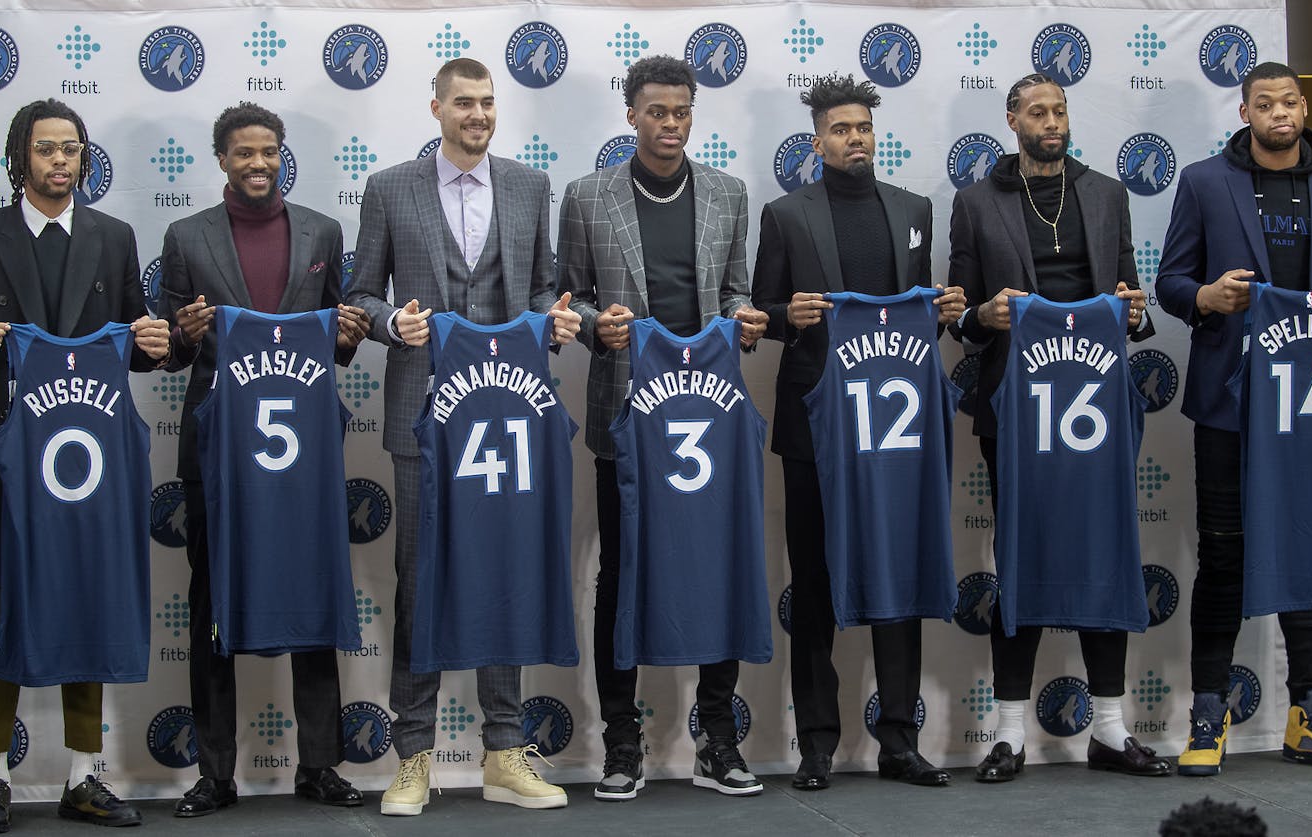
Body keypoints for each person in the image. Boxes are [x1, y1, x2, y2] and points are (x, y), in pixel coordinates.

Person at [347, 57, 580, 814]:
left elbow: (541, 287)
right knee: (422, 582)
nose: (478, 114)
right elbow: (360, 294)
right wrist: (392, 323)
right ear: (436, 108)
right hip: (424, 415)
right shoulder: (388, 188)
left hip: (510, 417)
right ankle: (412, 755)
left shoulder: (527, 186)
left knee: (505, 578)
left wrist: (556, 318)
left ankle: (504, 752)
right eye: (464, 103)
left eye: (487, 103)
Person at [1157, 60, 1312, 775]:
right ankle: (1207, 710)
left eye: (1289, 102)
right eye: (1265, 103)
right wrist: (1206, 296)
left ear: (1304, 106)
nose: (1279, 113)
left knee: (1309, 547)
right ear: (1245, 111)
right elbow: (1170, 281)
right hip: (1230, 397)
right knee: (1225, 553)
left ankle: (1310, 713)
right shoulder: (1201, 180)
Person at [558, 54, 769, 800]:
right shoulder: (586, 197)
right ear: (631, 114)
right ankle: (622, 739)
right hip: (628, 417)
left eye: (681, 111)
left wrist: (744, 323)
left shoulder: (729, 193)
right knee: (621, 573)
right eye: (656, 111)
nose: (670, 124)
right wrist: (595, 325)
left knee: (718, 568)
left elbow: (738, 292)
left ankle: (718, 737)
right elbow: (567, 300)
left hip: (710, 415)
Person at [751, 73, 964, 791]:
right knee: (815, 585)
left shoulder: (914, 209)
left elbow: (922, 309)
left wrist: (944, 310)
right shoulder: (784, 215)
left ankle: (900, 740)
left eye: (863, 129)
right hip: (815, 427)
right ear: (817, 143)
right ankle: (816, 744)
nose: (855, 140)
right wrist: (790, 315)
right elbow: (759, 311)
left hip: (895, 429)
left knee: (897, 575)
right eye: (841, 130)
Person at [0, 98, 172, 832]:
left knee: (87, 594)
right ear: (20, 157)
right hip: (5, 459)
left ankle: (85, 773)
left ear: (85, 158)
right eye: (46, 149)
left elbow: (142, 341)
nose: (60, 161)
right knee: (1, 611)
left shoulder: (115, 237)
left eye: (72, 149)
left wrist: (156, 343)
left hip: (89, 463)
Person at [159, 102, 371, 818]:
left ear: (283, 155)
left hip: (301, 452)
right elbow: (170, 345)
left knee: (312, 599)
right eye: (244, 153)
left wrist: (352, 330)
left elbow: (340, 340)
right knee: (212, 606)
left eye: (269, 152)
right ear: (221, 158)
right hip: (220, 452)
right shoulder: (185, 237)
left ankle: (319, 762)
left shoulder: (322, 231)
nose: (258, 164)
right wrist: (185, 335)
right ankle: (216, 771)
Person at [949, 73, 1162, 781]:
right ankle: (1008, 733)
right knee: (1021, 556)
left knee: (1104, 551)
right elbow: (959, 311)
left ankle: (1110, 728)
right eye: (1037, 111)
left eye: (1060, 110)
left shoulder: (1106, 192)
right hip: (1017, 403)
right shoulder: (976, 202)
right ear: (1012, 120)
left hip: (1095, 406)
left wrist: (1134, 311)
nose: (1051, 121)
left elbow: (1133, 298)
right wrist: (984, 316)